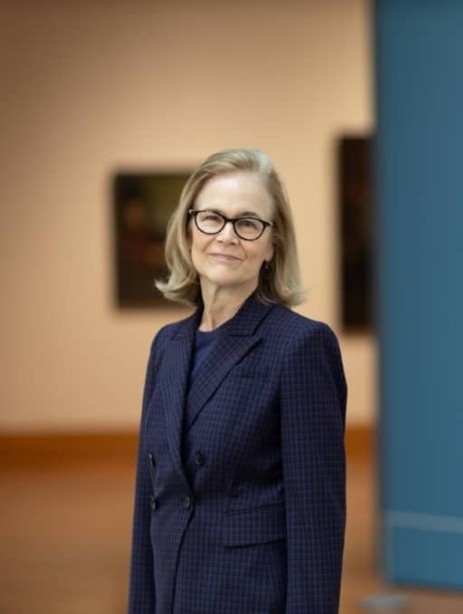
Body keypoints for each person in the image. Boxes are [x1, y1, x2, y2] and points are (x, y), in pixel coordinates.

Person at [127, 148, 347, 613]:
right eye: (212, 218)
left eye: (248, 223)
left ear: (272, 245)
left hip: (247, 597)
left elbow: (316, 524)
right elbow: (151, 503)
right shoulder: (166, 346)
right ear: (189, 230)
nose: (227, 236)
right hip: (172, 593)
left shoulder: (300, 347)